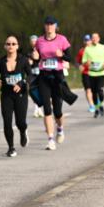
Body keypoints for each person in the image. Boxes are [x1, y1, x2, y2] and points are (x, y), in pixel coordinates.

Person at [31, 17, 71, 150]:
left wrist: (61, 55)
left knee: (58, 111)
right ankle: (50, 139)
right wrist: (35, 58)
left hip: (57, 76)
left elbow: (69, 57)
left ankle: (60, 128)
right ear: (44, 26)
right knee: (47, 109)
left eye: (51, 25)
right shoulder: (39, 41)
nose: (49, 27)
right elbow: (36, 58)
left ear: (55, 26)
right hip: (44, 76)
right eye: (47, 24)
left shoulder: (62, 39)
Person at [0, 35, 32, 157]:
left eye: (13, 44)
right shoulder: (1, 62)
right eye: (8, 44)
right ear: (5, 46)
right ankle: (11, 147)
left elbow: (30, 76)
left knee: (20, 122)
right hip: (6, 95)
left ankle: (23, 131)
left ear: (17, 46)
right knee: (7, 122)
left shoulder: (23, 60)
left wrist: (22, 83)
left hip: (20, 95)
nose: (11, 46)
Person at [81, 32, 104, 117]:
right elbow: (84, 61)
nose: (94, 39)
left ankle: (101, 104)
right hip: (91, 73)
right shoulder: (87, 49)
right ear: (91, 39)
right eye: (92, 38)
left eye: (96, 38)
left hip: (101, 73)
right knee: (94, 93)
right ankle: (97, 108)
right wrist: (87, 63)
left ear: (99, 39)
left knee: (100, 91)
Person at [28, 34, 43, 118]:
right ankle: (37, 109)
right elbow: (28, 62)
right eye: (32, 41)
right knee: (33, 90)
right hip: (32, 73)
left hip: (41, 72)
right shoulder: (28, 51)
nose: (33, 42)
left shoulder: (41, 50)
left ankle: (39, 109)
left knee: (41, 90)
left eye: (35, 41)